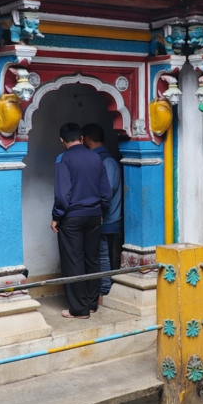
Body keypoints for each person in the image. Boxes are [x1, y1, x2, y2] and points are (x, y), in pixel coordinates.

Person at [52, 122, 111, 319]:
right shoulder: (96, 158)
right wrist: (101, 210)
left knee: (73, 261)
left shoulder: (63, 159)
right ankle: (92, 304)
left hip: (71, 217)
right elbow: (106, 191)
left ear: (62, 140)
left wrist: (56, 217)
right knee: (92, 259)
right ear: (81, 138)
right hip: (94, 216)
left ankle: (79, 309)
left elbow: (62, 194)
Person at [82, 123, 123, 303]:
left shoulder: (107, 162)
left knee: (103, 255)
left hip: (107, 218)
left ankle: (104, 290)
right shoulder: (103, 160)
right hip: (102, 216)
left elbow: (108, 190)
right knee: (101, 255)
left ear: (87, 139)